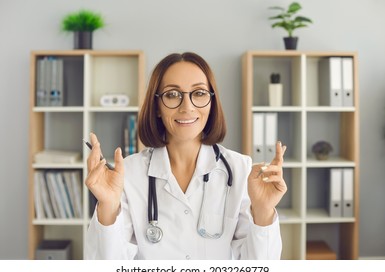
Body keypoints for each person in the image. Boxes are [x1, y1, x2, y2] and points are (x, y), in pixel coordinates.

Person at [84, 52, 287, 260]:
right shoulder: (128, 174)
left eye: (199, 93)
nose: (187, 107)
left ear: (211, 102)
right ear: (157, 107)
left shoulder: (240, 170)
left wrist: (263, 211)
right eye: (172, 95)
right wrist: (108, 207)